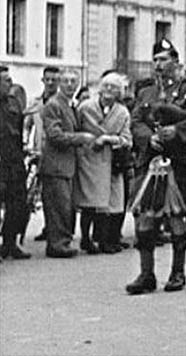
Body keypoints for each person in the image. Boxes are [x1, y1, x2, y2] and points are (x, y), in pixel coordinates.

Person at [127, 39, 186, 294]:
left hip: (179, 162)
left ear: (175, 62)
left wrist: (176, 130)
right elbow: (135, 122)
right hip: (151, 161)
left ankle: (177, 273)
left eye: (163, 59)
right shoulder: (146, 93)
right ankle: (146, 275)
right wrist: (148, 138)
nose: (158, 65)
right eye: (155, 60)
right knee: (144, 219)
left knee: (178, 219)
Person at [73, 72, 132, 255]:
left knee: (109, 204)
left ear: (119, 93)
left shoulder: (122, 112)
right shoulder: (85, 107)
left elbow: (127, 139)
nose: (108, 90)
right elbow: (75, 129)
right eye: (106, 86)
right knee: (89, 202)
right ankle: (85, 239)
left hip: (111, 161)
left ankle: (106, 240)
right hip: (89, 159)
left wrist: (108, 139)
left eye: (113, 87)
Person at [40, 69, 95, 258]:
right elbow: (54, 135)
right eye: (66, 81)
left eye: (73, 81)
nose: (70, 85)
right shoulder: (54, 105)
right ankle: (58, 244)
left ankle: (62, 242)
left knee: (64, 206)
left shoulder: (71, 105)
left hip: (65, 165)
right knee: (58, 207)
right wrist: (80, 138)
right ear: (60, 84)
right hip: (55, 165)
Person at [23, 66, 61, 243]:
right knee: (38, 193)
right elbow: (27, 123)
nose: (51, 83)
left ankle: (54, 228)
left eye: (54, 79)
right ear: (43, 80)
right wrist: (26, 143)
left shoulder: (62, 102)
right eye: (48, 79)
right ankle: (44, 227)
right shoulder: (36, 102)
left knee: (56, 195)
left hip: (57, 155)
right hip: (39, 153)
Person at [1, 66, 32, 260]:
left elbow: (19, 129)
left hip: (14, 160)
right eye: (6, 80)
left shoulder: (13, 103)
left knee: (18, 204)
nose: (10, 84)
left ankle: (10, 243)